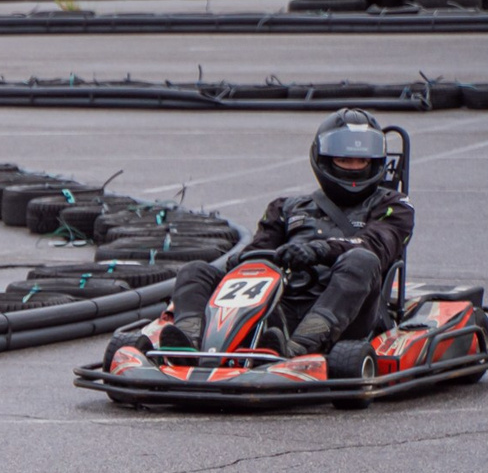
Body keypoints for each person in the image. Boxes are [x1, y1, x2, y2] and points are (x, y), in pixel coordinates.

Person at [161, 108, 413, 357]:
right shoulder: (287, 207)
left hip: (350, 312)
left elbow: (376, 245)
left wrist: (318, 250)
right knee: (195, 271)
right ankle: (189, 342)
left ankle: (299, 349)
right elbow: (257, 253)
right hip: (283, 301)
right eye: (344, 160)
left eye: (362, 161)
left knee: (362, 259)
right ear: (324, 159)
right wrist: (248, 260)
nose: (354, 168)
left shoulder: (394, 206)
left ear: (375, 163)